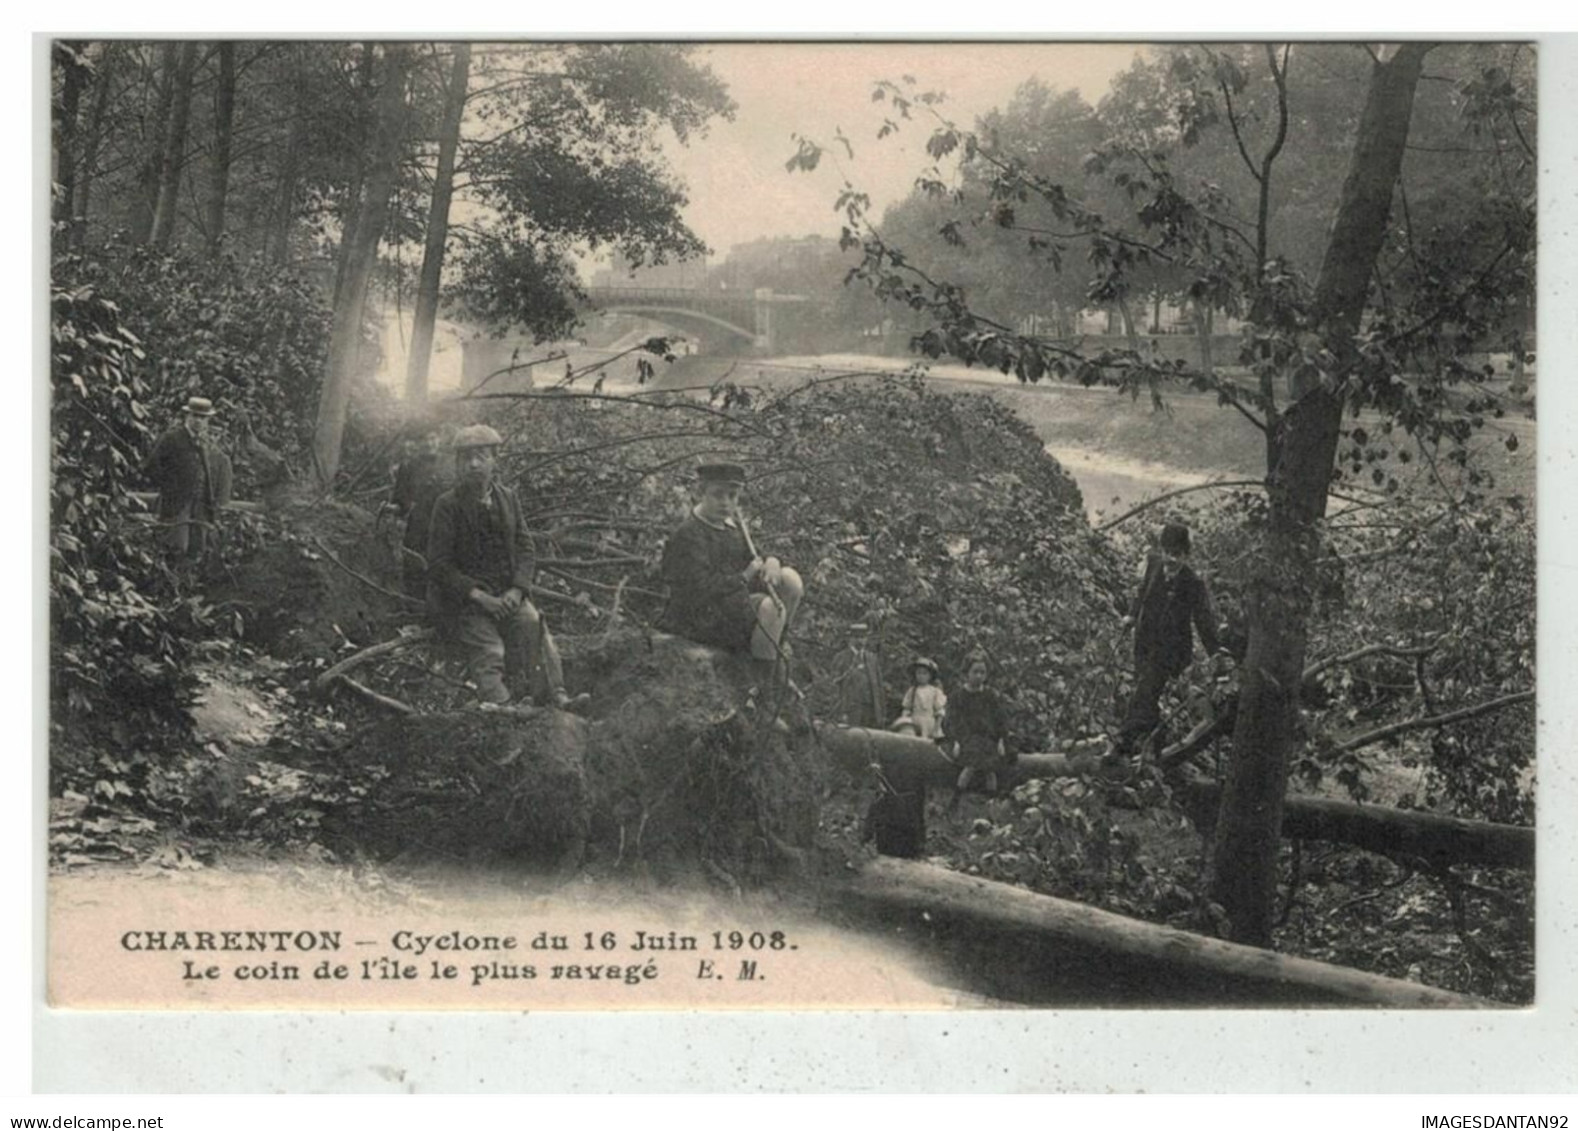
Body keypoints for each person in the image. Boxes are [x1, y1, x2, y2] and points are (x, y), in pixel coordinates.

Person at [425, 424, 582, 710]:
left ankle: (558, 696)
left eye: (481, 456)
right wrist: (480, 597)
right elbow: (438, 565)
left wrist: (518, 590)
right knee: (490, 649)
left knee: (535, 626)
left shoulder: (508, 498)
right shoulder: (447, 506)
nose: (474, 464)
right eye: (466, 457)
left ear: (494, 460)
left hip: (507, 596)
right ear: (458, 463)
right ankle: (504, 709)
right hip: (467, 603)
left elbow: (526, 547)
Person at [658, 463, 804, 674]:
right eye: (718, 495)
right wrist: (744, 577)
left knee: (790, 579)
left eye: (732, 496)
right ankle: (762, 682)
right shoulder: (688, 534)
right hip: (699, 617)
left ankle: (775, 648)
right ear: (700, 494)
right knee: (770, 608)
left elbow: (756, 558)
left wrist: (772, 561)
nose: (726, 503)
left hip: (730, 604)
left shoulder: (730, 527)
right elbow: (698, 590)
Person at [1113, 521, 1226, 756]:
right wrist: (1131, 616)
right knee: (1147, 693)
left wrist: (1217, 654)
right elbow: (1142, 592)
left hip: (1171, 652)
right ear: (1161, 550)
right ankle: (1154, 747)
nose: (1170, 559)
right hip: (1144, 643)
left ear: (1186, 555)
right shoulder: (1153, 564)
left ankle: (1122, 744)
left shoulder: (1193, 583)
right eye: (1167, 552)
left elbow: (1203, 622)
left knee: (1145, 691)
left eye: (1177, 554)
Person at [142, 395, 220, 563]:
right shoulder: (172, 438)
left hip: (200, 504)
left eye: (203, 418)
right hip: (177, 504)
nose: (199, 421)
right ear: (187, 416)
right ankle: (168, 584)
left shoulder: (205, 442)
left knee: (197, 548)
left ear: (208, 420)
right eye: (195, 416)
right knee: (176, 547)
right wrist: (169, 487)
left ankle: (188, 586)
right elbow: (150, 467)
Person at [947, 654, 1011, 805]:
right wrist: (956, 741)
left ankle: (991, 800)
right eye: (975, 672)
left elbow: (1000, 719)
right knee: (970, 766)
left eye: (982, 672)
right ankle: (956, 798)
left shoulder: (990, 695)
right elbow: (953, 720)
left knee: (990, 770)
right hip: (968, 738)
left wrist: (1001, 740)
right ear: (967, 673)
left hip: (987, 738)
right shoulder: (959, 696)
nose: (979, 676)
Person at [861, 717, 927, 859]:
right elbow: (875, 801)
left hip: (909, 825)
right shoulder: (886, 763)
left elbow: (919, 806)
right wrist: (867, 833)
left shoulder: (918, 768)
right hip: (888, 823)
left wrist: (921, 840)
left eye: (911, 738)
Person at [836, 622, 886, 729]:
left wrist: (880, 713)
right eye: (856, 637)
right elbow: (835, 687)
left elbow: (879, 687)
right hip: (851, 710)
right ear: (850, 639)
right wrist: (841, 712)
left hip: (871, 709)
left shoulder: (872, 658)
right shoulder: (841, 658)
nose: (860, 640)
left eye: (863, 637)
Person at [900, 656, 947, 740]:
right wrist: (905, 722)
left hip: (929, 723)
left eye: (924, 673)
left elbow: (940, 712)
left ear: (930, 676)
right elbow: (907, 708)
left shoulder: (935, 691)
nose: (921, 676)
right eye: (919, 673)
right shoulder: (913, 690)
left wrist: (936, 728)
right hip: (915, 722)